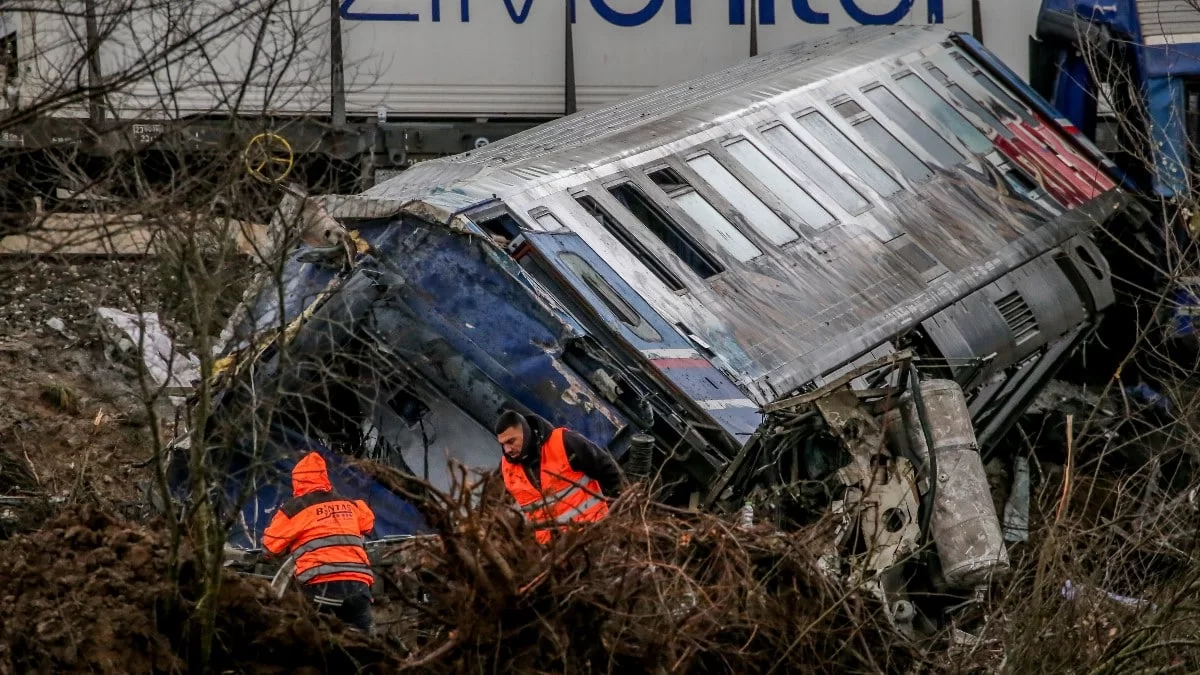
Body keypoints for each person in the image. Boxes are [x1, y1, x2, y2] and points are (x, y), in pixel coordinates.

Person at [262, 451, 377, 634]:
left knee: (315, 642)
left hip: (323, 586)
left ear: (297, 481)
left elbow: (270, 547)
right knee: (366, 647)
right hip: (359, 586)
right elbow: (368, 522)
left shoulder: (295, 509)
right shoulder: (349, 505)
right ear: (324, 476)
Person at [495, 410, 625, 544]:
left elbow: (610, 473)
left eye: (511, 441)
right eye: (503, 444)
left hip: (592, 534)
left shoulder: (564, 442)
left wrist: (614, 516)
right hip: (552, 551)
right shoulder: (506, 468)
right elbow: (492, 504)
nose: (507, 450)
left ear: (526, 433)